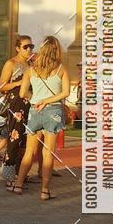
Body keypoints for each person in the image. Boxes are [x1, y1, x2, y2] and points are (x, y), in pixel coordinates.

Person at [10, 36, 69, 200]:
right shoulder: (61, 69)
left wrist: (37, 99)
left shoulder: (31, 70)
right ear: (57, 51)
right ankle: (44, 190)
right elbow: (65, 93)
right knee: (48, 153)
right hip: (53, 112)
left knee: (29, 151)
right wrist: (47, 101)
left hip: (35, 111)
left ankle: (18, 185)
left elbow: (22, 93)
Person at [0, 36, 35, 175]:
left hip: (30, 105)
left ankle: (20, 173)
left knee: (26, 140)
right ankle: (8, 172)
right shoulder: (11, 63)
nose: (29, 49)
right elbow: (1, 86)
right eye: (26, 47)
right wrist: (19, 83)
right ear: (18, 48)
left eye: (31, 46)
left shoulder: (31, 64)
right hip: (16, 106)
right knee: (14, 138)